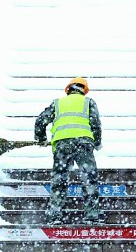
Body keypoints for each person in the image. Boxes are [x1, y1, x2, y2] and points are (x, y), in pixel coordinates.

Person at [34, 76, 103, 225]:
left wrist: (41, 138)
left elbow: (40, 120)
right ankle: (91, 215)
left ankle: (55, 216)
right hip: (83, 144)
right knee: (89, 178)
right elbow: (96, 124)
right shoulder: (88, 102)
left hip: (62, 145)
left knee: (59, 180)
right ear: (84, 90)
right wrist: (97, 142)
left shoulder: (57, 103)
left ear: (69, 90)